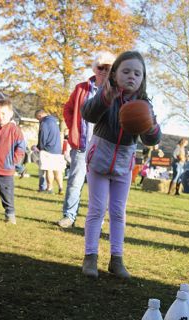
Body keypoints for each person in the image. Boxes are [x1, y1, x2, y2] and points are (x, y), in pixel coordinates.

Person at [81, 50, 162, 279]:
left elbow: (151, 139)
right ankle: (90, 257)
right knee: (97, 209)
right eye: (126, 71)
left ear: (142, 78)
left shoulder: (144, 104)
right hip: (100, 159)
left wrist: (152, 127)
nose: (131, 76)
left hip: (124, 163)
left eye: (137, 73)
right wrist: (106, 98)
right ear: (114, 74)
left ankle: (117, 260)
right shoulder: (105, 96)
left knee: (118, 212)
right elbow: (88, 113)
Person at [57, 51, 115, 228]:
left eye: (109, 68)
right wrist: (73, 127)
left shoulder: (116, 92)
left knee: (100, 188)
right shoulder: (81, 88)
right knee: (75, 183)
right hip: (82, 145)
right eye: (101, 67)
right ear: (94, 69)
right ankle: (69, 216)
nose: (104, 71)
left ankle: (97, 220)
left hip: (104, 147)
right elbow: (68, 109)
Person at [0, 99, 25, 224]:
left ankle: (10, 214)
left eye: (3, 114)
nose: (0, 117)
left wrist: (13, 162)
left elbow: (21, 148)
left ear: (10, 114)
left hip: (6, 170)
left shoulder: (15, 131)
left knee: (6, 194)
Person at [35, 109, 65, 194]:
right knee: (57, 170)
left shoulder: (44, 123)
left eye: (38, 119)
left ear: (40, 116)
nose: (39, 121)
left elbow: (43, 137)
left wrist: (40, 147)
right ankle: (61, 188)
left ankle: (49, 188)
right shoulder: (54, 121)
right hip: (57, 150)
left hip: (48, 150)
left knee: (49, 169)